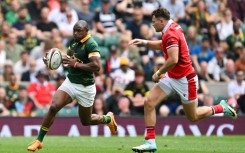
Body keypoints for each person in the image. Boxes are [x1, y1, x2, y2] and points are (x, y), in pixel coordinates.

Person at [128, 8, 237, 152]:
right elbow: (163, 45)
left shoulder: (171, 33)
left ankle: (221, 108)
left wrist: (158, 73)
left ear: (162, 21)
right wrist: (145, 42)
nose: (152, 25)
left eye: (154, 22)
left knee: (193, 116)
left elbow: (173, 59)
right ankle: (150, 142)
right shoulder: (171, 27)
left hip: (186, 79)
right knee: (149, 102)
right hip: (172, 76)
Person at [27, 20, 117, 151]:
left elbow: (97, 67)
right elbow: (67, 58)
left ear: (86, 31)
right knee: (53, 107)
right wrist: (52, 59)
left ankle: (108, 118)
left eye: (79, 31)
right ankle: (39, 140)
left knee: (86, 121)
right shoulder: (73, 41)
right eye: (74, 30)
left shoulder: (91, 45)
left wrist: (76, 64)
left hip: (86, 87)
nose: (75, 33)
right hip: (70, 82)